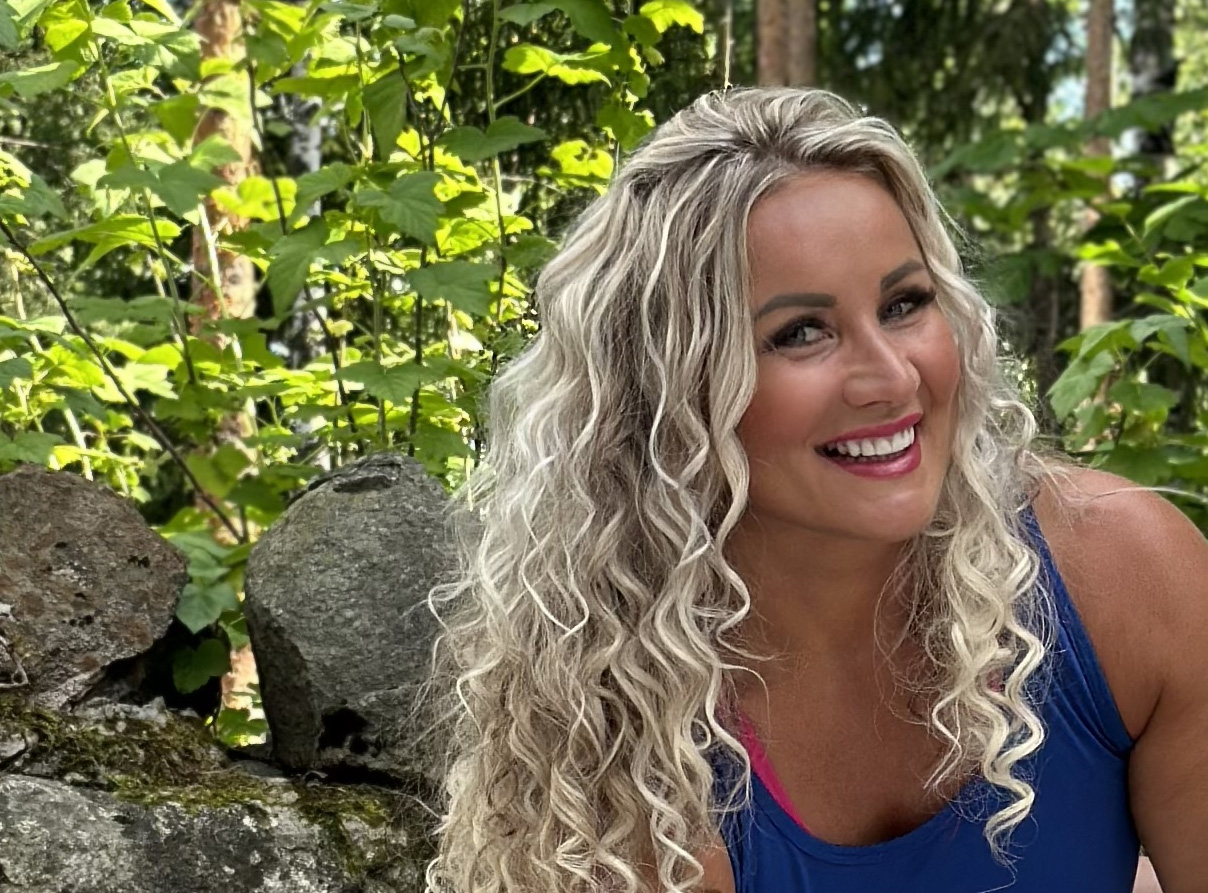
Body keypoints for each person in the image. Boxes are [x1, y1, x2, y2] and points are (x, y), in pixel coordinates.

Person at [424, 88, 1207, 893]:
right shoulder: (624, 728)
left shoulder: (1123, 578)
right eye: (801, 332)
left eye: (904, 304)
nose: (891, 377)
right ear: (669, 396)